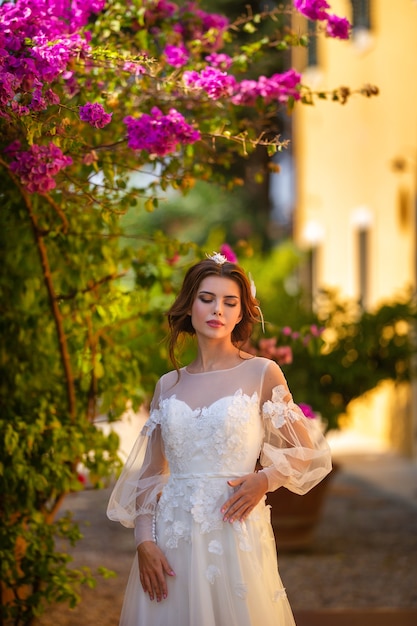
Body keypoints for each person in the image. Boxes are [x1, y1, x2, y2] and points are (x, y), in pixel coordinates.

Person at [107, 253, 333, 626]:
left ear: (242, 313)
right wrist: (144, 542)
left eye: (230, 302)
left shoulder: (261, 372)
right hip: (171, 539)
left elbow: (306, 452)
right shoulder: (168, 384)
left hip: (234, 532)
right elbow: (151, 472)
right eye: (207, 298)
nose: (218, 310)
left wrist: (265, 479)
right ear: (189, 305)